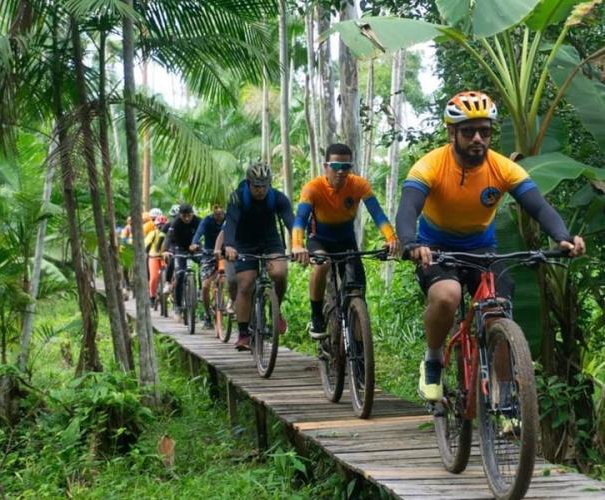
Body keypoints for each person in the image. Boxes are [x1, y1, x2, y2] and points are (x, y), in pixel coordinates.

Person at [395, 90, 586, 402]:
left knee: (497, 312)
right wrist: (410, 243)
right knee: (447, 296)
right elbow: (408, 209)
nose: (478, 139)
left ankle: (504, 393)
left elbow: (538, 207)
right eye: (469, 131)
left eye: (484, 131)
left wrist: (562, 236)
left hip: (483, 250)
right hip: (435, 247)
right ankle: (432, 360)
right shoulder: (429, 166)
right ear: (452, 133)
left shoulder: (502, 168)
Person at [291, 143, 398, 339]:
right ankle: (316, 317)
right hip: (319, 240)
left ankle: (359, 350)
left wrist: (391, 239)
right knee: (322, 265)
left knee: (358, 290)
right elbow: (300, 219)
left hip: (347, 241)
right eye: (335, 166)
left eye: (346, 167)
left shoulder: (359, 185)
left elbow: (378, 214)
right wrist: (297, 245)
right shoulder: (313, 188)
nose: (341, 172)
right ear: (326, 166)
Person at [224, 162, 294, 351]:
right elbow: (230, 222)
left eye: (264, 185)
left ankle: (275, 309)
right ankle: (244, 333)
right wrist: (229, 245)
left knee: (279, 273)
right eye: (256, 186)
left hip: (270, 241)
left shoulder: (278, 198)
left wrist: (298, 244)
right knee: (245, 284)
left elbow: (291, 222)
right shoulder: (237, 198)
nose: (261, 190)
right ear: (248, 183)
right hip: (243, 243)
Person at [190, 204, 226, 329]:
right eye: (216, 207)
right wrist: (194, 243)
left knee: (230, 279)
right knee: (205, 286)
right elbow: (199, 232)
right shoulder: (207, 220)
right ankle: (207, 316)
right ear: (212, 209)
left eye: (220, 207)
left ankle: (228, 306)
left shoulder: (229, 219)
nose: (218, 210)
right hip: (208, 253)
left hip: (226, 254)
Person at [163, 204, 200, 320]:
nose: (187, 219)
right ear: (180, 216)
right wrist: (165, 250)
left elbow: (206, 231)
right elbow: (168, 237)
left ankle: (201, 289)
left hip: (195, 247)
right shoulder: (176, 223)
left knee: (205, 263)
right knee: (180, 274)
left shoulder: (198, 221)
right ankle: (178, 306)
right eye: (184, 216)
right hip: (179, 248)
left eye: (189, 215)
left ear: (192, 214)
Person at [146, 212, 168, 307]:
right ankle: (152, 296)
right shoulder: (152, 234)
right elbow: (146, 246)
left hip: (165, 257)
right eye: (159, 225)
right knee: (154, 277)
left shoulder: (169, 234)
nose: (161, 227)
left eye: (163, 225)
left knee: (170, 275)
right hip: (154, 257)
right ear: (156, 226)